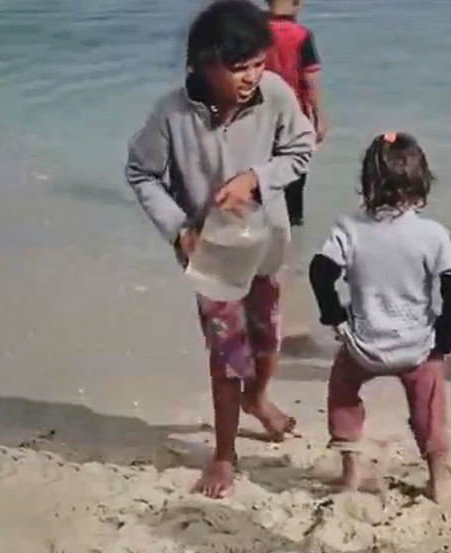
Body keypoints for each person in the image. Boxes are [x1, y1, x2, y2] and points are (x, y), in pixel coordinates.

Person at [125, 0, 315, 499]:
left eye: (257, 63)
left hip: (266, 244)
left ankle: (259, 398)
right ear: (203, 65)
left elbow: (302, 147)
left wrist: (258, 178)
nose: (252, 76)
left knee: (268, 342)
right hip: (208, 256)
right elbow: (141, 173)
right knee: (227, 356)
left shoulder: (273, 94)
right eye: (238, 68)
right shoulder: (171, 115)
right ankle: (225, 454)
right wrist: (177, 230)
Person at [309, 132, 451, 502]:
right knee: (429, 407)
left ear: (367, 182)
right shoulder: (432, 234)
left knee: (342, 392)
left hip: (363, 346)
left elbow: (320, 271)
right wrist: (443, 341)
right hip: (416, 347)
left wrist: (335, 319)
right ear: (421, 182)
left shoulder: (349, 227)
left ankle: (351, 474)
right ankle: (438, 480)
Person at [264, 0, 327, 226]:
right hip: (294, 118)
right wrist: (320, 118)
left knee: (263, 180)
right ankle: (293, 239)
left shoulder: (253, 31)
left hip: (258, 119)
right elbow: (309, 80)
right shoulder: (301, 35)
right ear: (297, 3)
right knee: (294, 181)